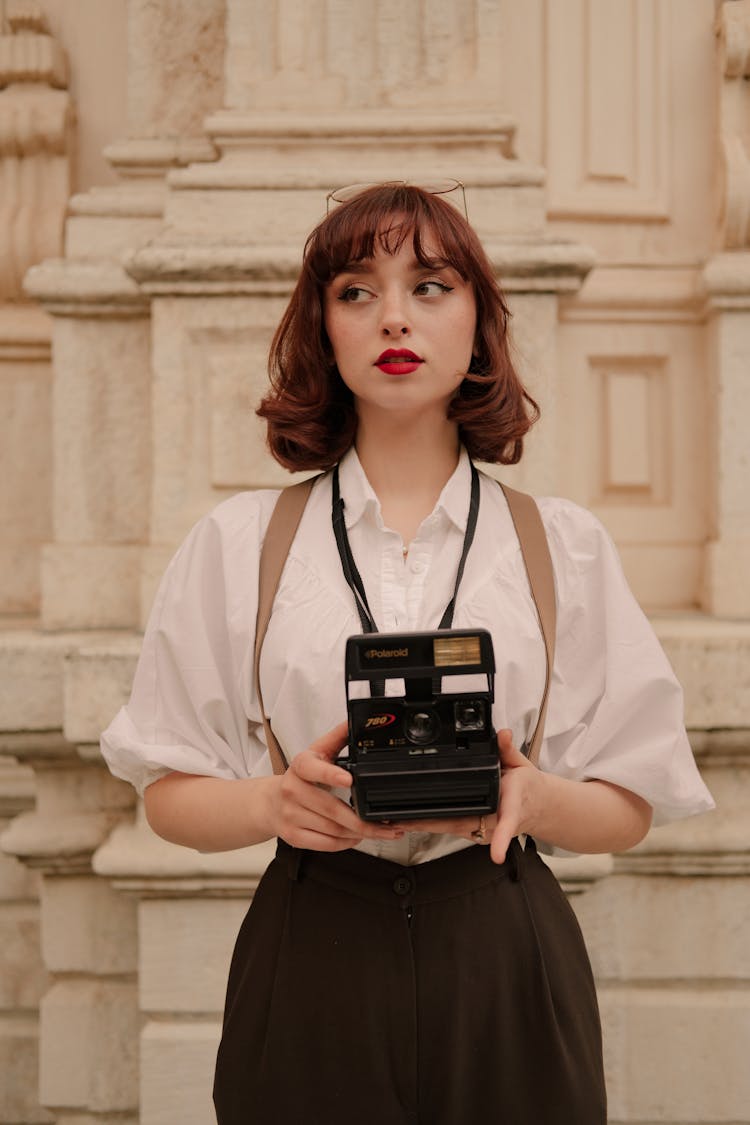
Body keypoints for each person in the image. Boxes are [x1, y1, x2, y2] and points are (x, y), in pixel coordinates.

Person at [101, 182, 714, 1125]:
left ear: (479, 322)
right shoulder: (238, 543)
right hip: (313, 947)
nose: (394, 315)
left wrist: (536, 796)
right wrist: (276, 801)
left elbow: (633, 804)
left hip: (505, 948)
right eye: (356, 290)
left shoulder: (562, 545)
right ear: (323, 326)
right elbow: (166, 790)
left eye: (430, 285)